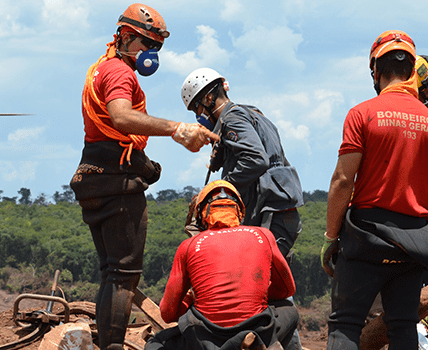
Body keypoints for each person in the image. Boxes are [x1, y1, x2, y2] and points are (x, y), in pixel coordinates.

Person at [69, 4, 218, 349]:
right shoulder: (121, 73)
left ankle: (108, 342)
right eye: (145, 44)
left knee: (111, 272)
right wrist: (178, 129)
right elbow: (120, 117)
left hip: (94, 175)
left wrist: (145, 164)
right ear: (123, 36)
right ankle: (113, 345)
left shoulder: (99, 70)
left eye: (156, 48)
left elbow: (110, 134)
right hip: (115, 184)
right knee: (123, 274)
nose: (150, 54)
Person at [321, 30, 428, 349]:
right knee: (403, 326)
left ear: (376, 72)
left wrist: (331, 237)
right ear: (412, 72)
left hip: (365, 238)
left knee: (345, 324)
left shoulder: (362, 114)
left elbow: (343, 180)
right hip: (414, 243)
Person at [146, 180, 298, 350]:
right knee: (289, 311)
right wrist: (253, 292)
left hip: (205, 337)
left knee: (155, 343)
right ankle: (257, 341)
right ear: (239, 212)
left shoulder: (188, 246)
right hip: (256, 327)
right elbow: (286, 290)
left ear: (202, 216)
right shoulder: (263, 235)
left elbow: (168, 313)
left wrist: (191, 297)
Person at [180, 68, 304, 259]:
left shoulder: (233, 119)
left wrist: (219, 190)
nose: (198, 116)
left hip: (269, 214)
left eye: (196, 108)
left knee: (255, 279)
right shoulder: (252, 112)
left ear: (207, 99)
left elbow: (256, 160)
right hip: (278, 212)